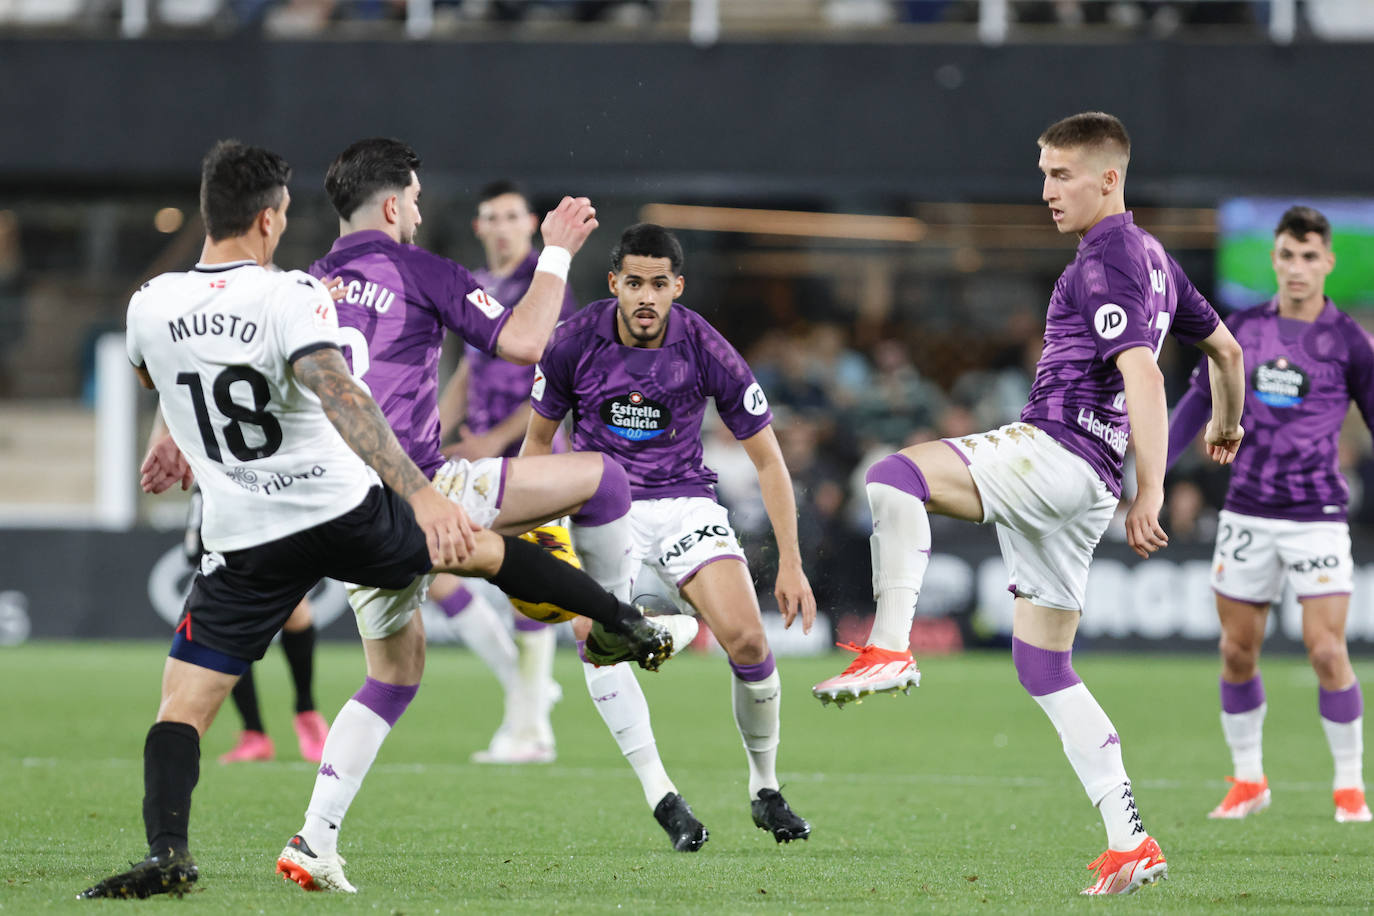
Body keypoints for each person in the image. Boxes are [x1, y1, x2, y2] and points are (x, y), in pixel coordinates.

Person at [79, 140, 681, 901]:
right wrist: (555, 256)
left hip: (245, 537)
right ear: (270, 219)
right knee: (484, 546)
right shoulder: (297, 293)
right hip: (345, 503)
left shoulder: (153, 303)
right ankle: (620, 617)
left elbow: (161, 371)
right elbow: (344, 392)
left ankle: (172, 853)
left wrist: (172, 439)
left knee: (186, 706)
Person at [811, 112, 1248, 895]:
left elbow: (1144, 375)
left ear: (1109, 178)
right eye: (1043, 172)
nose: (1046, 190)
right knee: (1043, 665)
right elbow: (1227, 350)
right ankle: (1131, 841)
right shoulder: (1157, 261)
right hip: (1086, 484)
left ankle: (890, 645)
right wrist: (1227, 420)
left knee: (892, 476)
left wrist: (1153, 488)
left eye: (1062, 175)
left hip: (1057, 453)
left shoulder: (1109, 259)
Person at [280, 139, 696, 892]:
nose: (417, 206)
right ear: (393, 205)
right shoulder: (420, 270)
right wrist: (558, 253)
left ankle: (314, 837)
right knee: (603, 482)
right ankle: (612, 621)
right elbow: (525, 342)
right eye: (413, 194)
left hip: (339, 509)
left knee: (395, 673)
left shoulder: (304, 286)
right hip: (418, 490)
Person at [524, 223, 817, 851]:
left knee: (746, 638)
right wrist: (542, 538)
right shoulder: (573, 341)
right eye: (635, 283)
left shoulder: (705, 346)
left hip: (685, 502)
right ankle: (663, 796)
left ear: (677, 286)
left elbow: (768, 460)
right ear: (614, 284)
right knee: (592, 639)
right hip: (602, 504)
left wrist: (790, 562)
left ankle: (765, 790)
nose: (647, 297)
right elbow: (535, 448)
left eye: (660, 284)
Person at [1168, 204, 1373, 824]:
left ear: (1328, 262)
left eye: (1310, 257)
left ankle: (1348, 785)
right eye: (1287, 255)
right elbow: (1197, 401)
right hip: (1247, 511)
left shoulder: (1349, 341)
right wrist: (1156, 478)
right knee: (1237, 651)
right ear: (1275, 259)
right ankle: (1249, 780)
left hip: (1316, 514)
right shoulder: (1242, 330)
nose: (1298, 268)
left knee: (1327, 652)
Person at [429, 180, 583, 765]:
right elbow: (467, 373)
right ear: (479, 227)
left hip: (533, 455)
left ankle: (531, 732)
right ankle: (529, 695)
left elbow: (555, 384)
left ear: (531, 223)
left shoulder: (547, 288)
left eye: (510, 216)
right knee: (428, 568)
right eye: (490, 216)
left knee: (531, 584)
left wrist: (492, 439)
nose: (500, 226)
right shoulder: (476, 285)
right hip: (478, 455)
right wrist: (432, 433)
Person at [179, 483, 331, 763]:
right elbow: (193, 543)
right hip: (233, 553)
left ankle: (307, 713)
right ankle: (254, 732)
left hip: (277, 528)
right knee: (231, 628)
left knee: (297, 610)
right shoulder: (210, 471)